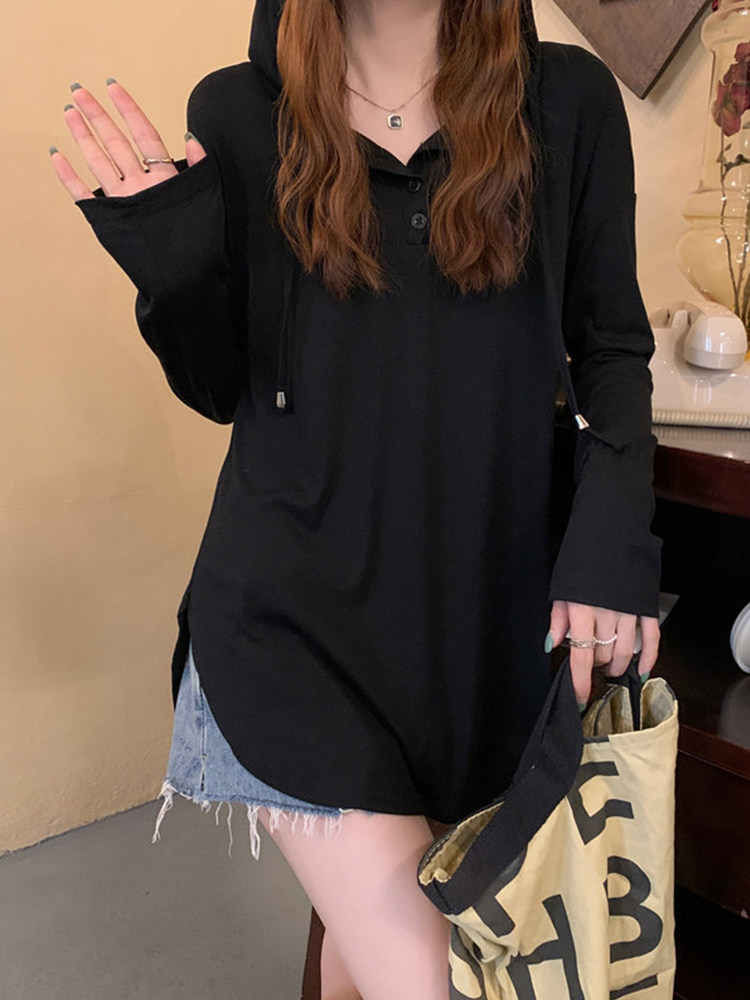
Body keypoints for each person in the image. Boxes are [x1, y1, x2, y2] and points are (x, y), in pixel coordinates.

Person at [50, 1, 662, 997]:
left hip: (484, 627)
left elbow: (612, 350)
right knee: (440, 975)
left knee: (364, 955)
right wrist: (172, 266)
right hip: (292, 623)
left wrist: (613, 538)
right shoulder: (238, 111)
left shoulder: (570, 101)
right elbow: (220, 387)